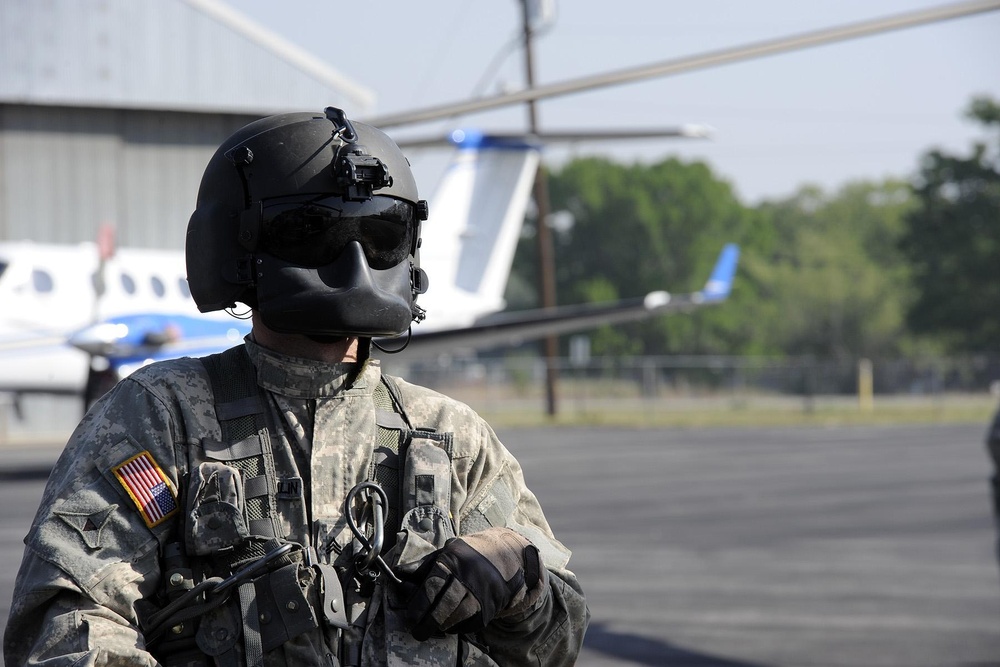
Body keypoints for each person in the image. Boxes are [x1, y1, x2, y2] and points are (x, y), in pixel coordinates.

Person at [4, 107, 589, 666]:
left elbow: (555, 645)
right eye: (313, 233)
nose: (355, 262)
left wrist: (523, 584)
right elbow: (65, 622)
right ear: (239, 249)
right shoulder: (161, 417)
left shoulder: (451, 437)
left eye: (381, 234)